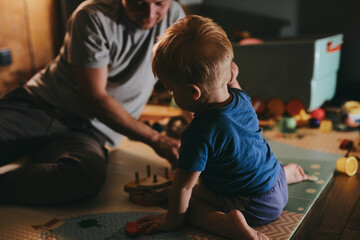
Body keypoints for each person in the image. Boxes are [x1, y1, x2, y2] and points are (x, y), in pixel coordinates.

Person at [136, 15, 308, 240]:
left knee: (187, 203)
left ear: (192, 92)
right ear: (229, 73)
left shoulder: (198, 134)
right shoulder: (241, 98)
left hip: (254, 207)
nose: (170, 94)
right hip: (276, 181)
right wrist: (231, 78)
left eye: (171, 89)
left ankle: (229, 226)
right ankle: (289, 174)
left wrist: (170, 221)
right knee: (247, 161)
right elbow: (232, 85)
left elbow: (184, 188)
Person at [0, 0, 185, 205]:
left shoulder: (175, 17)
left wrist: (202, 130)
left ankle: (36, 158)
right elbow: (95, 99)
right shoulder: (92, 16)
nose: (150, 14)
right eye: (139, 3)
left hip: (88, 131)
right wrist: (158, 139)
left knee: (84, 177)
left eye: (159, 3)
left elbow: (185, 83)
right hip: (39, 106)